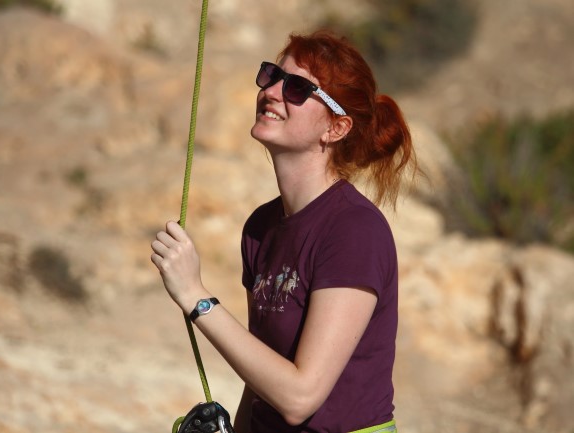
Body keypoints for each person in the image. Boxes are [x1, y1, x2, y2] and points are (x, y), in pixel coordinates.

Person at [151, 29, 416, 433]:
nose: (272, 91)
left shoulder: (355, 231)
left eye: (297, 88)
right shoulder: (261, 227)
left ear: (336, 129)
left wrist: (195, 297)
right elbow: (260, 377)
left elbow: (299, 398)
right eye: (272, 75)